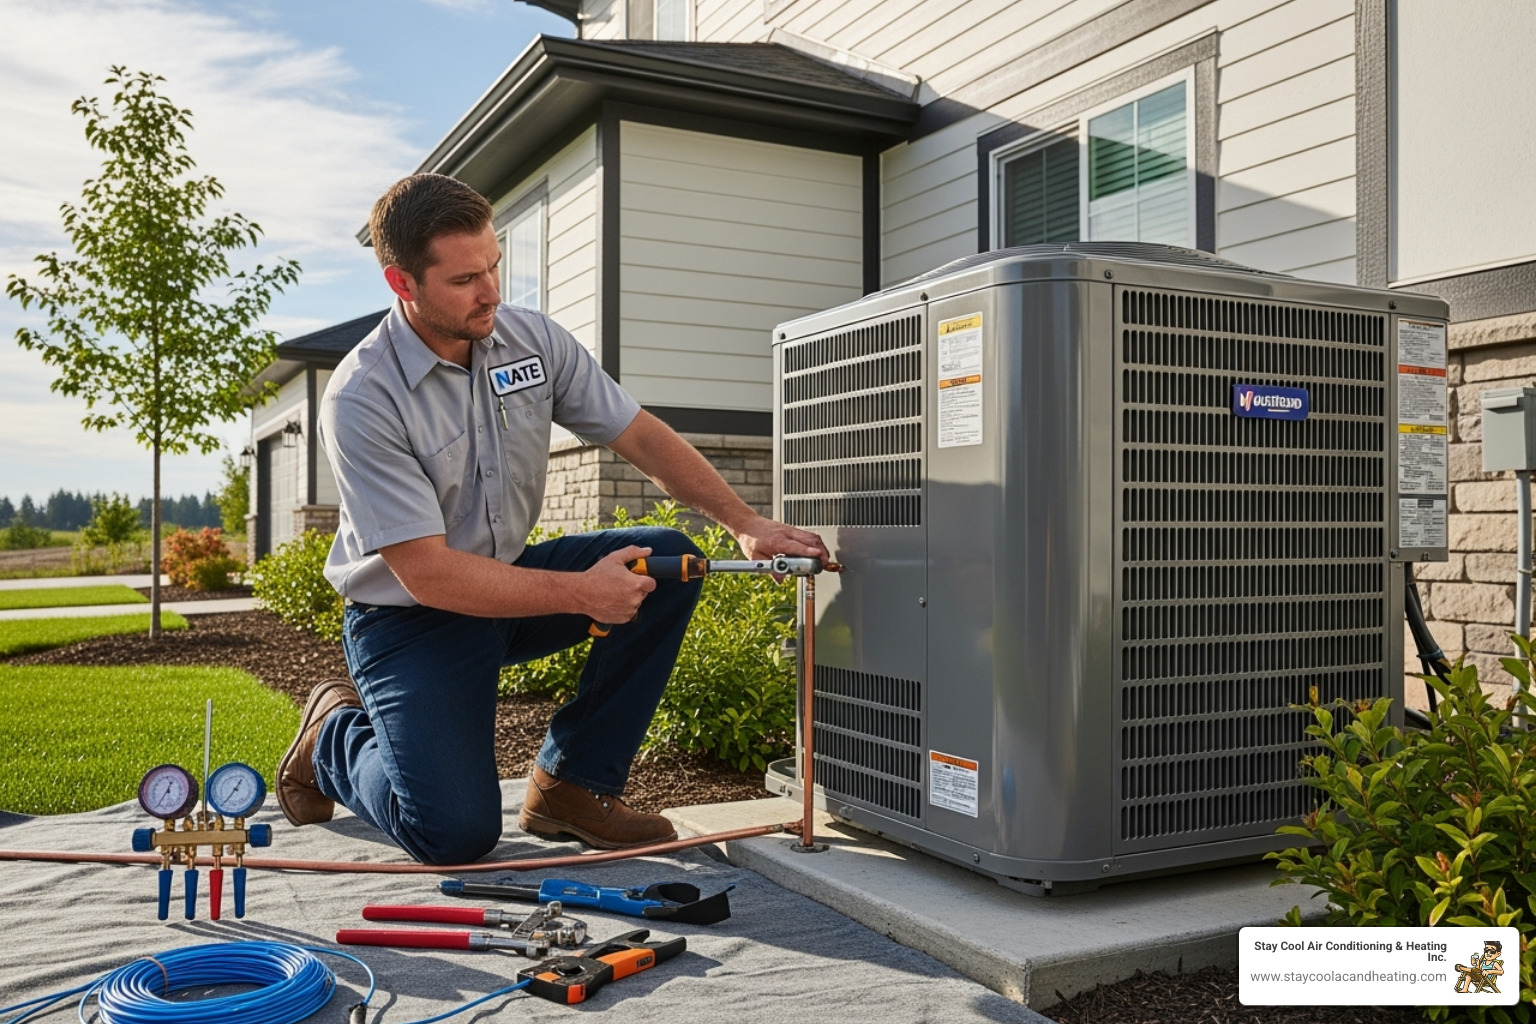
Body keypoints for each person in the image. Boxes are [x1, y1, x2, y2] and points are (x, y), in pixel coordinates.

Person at [275, 173, 827, 865]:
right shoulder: (362, 397)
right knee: (453, 835)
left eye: (496, 266)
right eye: (466, 278)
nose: (492, 292)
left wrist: (747, 521)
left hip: (504, 585)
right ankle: (333, 735)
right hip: (412, 620)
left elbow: (640, 435)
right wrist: (580, 593)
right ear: (403, 283)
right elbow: (429, 574)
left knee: (665, 563)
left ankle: (571, 785)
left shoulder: (529, 341)